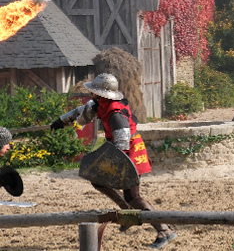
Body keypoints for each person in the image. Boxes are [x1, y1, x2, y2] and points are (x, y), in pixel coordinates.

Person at [50, 73, 175, 249]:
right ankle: (128, 213)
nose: (91, 93)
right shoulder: (101, 103)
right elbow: (82, 111)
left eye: (95, 91)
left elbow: (122, 143)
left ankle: (164, 230)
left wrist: (113, 163)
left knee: (133, 197)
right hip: (120, 150)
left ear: (101, 93)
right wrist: (61, 122)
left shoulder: (116, 113)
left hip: (128, 152)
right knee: (100, 181)